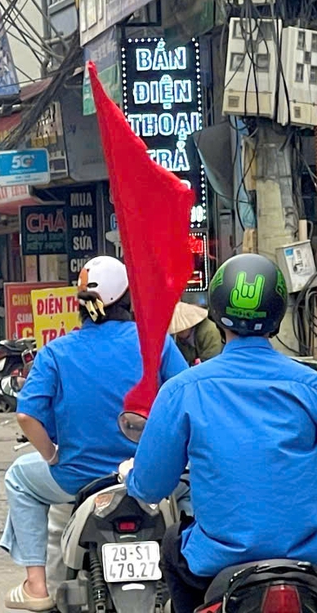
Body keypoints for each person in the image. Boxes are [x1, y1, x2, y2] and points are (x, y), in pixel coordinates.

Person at [124, 254, 317, 613]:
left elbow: (150, 486)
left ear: (215, 308)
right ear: (277, 315)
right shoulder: (310, 385)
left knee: (171, 544)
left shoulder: (183, 390)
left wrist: (132, 478)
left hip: (215, 565)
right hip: (310, 562)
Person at [1, 256, 188, 612]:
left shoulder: (56, 351)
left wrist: (52, 455)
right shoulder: (155, 344)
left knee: (19, 479)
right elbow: (184, 397)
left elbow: (26, 415)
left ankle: (36, 586)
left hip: (76, 479)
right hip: (151, 474)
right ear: (128, 299)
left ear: (80, 303)